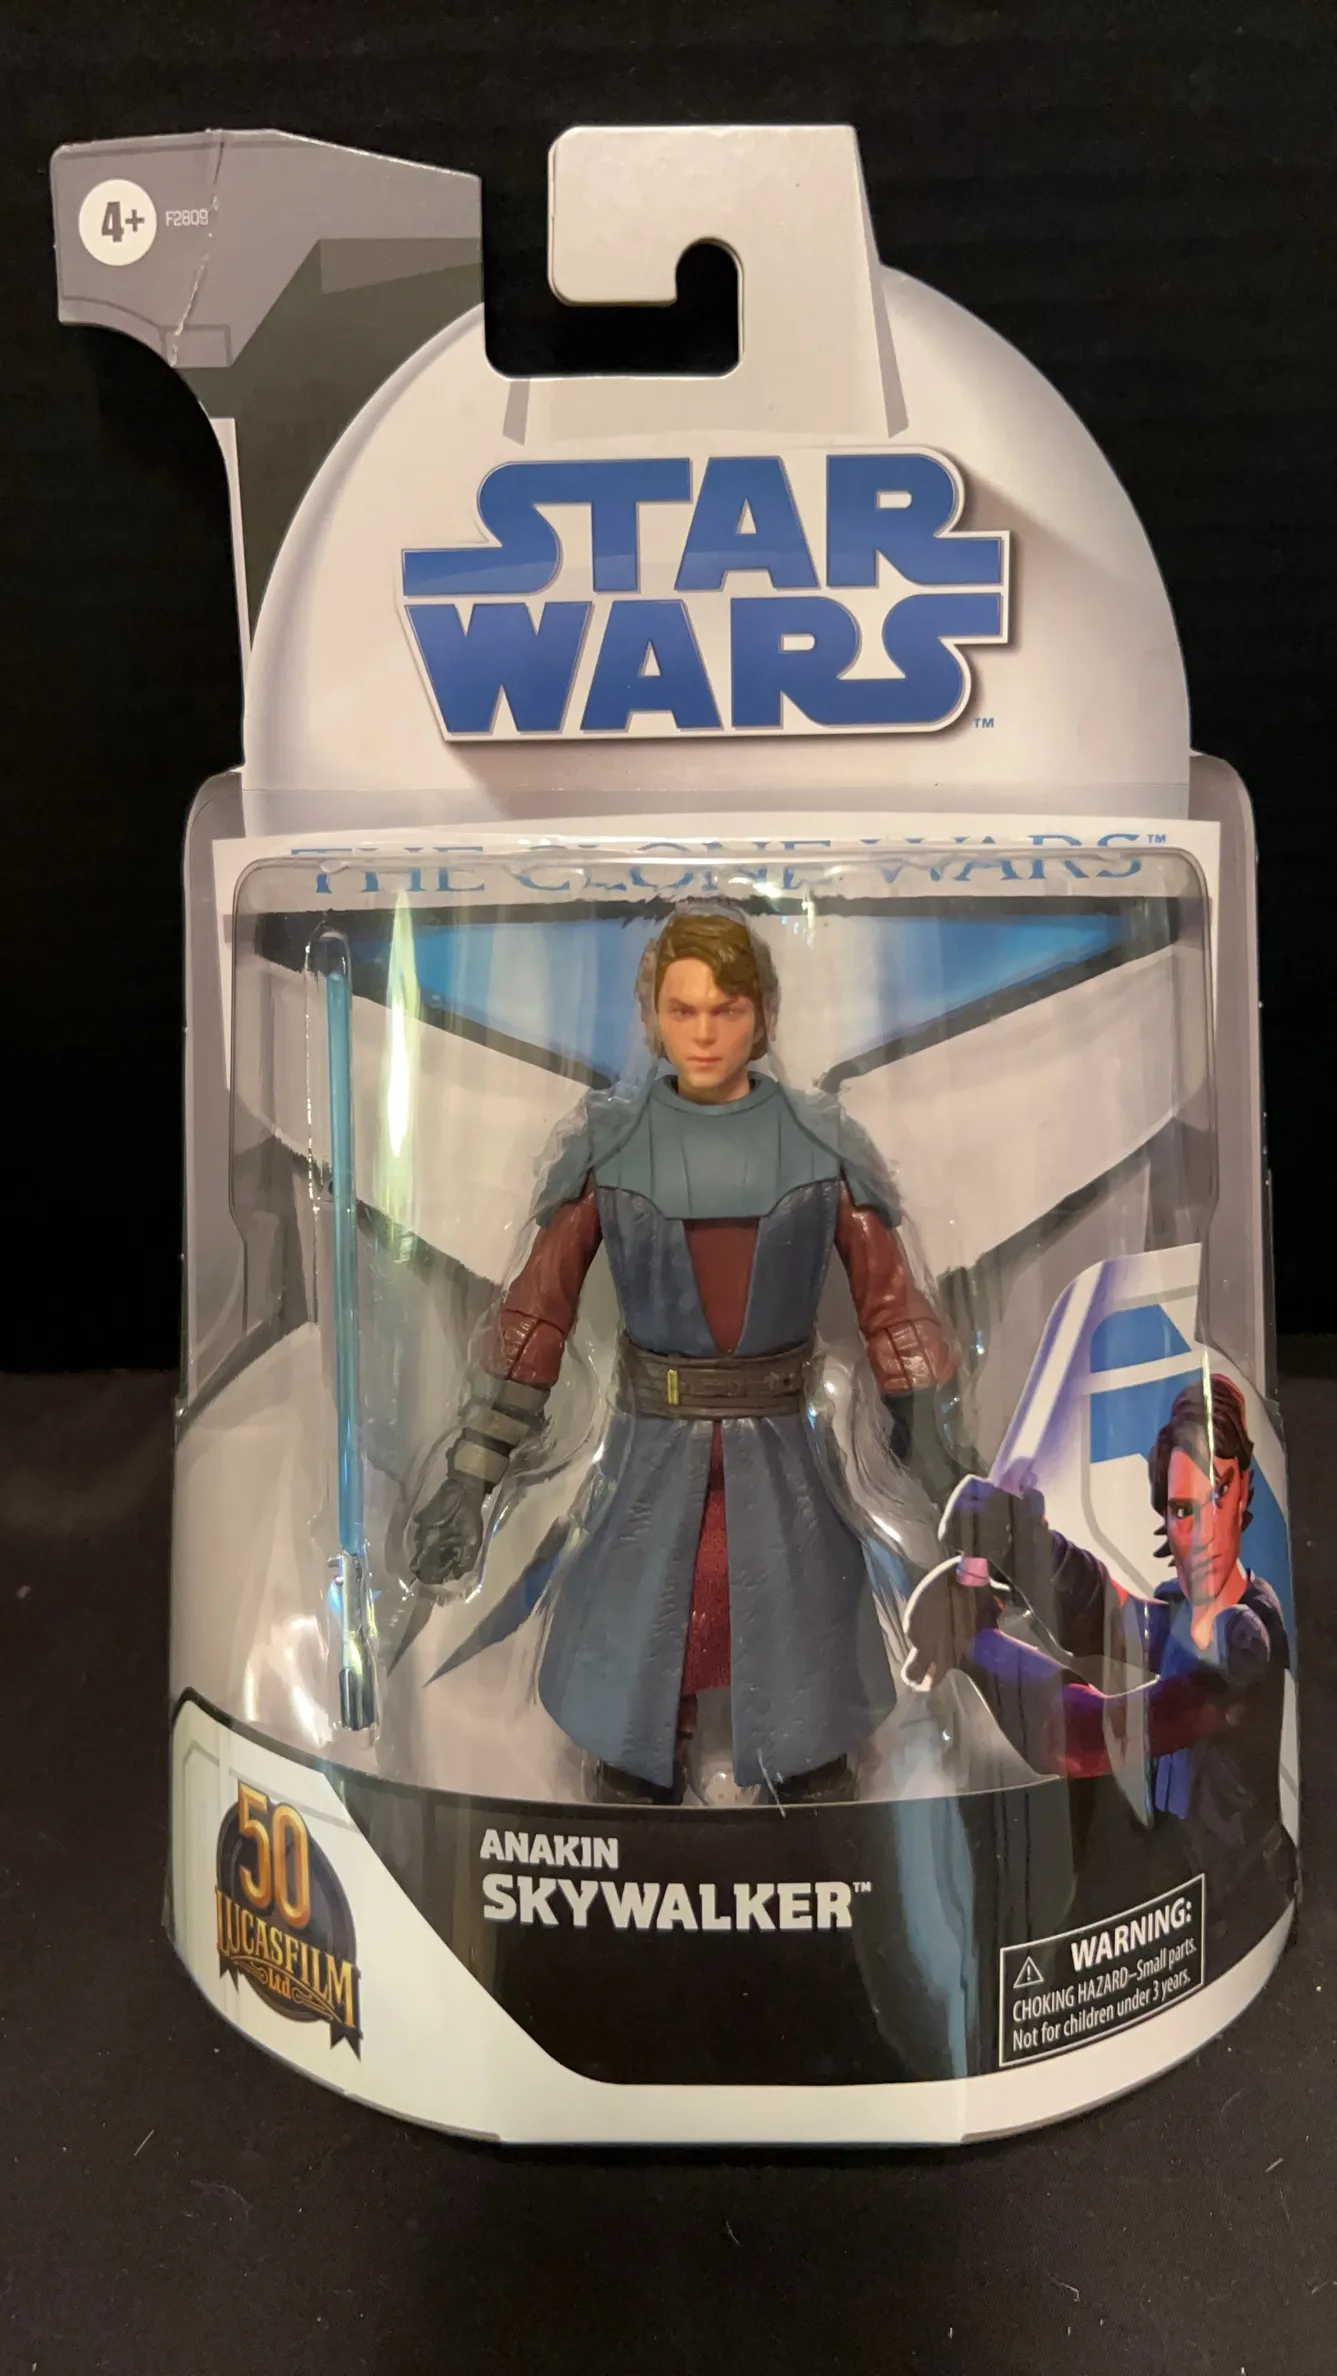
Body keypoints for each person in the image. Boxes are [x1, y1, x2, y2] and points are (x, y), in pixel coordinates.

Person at [408, 903, 965, 1804]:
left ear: (761, 1015)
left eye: (726, 1009)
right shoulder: (612, 1143)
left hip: (783, 1450)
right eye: (683, 1010)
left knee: (794, 1621)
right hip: (648, 1448)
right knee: (642, 1624)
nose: (704, 1033)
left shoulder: (820, 1142)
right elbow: (534, 1319)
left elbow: (894, 1314)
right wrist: (471, 1474)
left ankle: (805, 1771)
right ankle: (642, 1764)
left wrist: (939, 1465)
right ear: (653, 1018)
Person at [902, 1375, 1292, 1925]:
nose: (1203, 1532)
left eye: (1219, 1493)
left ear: (1245, 1489)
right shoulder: (1189, 1617)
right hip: (1178, 1891)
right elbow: (1112, 1619)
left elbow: (1087, 1737)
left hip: (1234, 1911)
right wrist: (1023, 1543)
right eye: (1183, 1510)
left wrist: (978, 1643)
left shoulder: (1247, 1640)